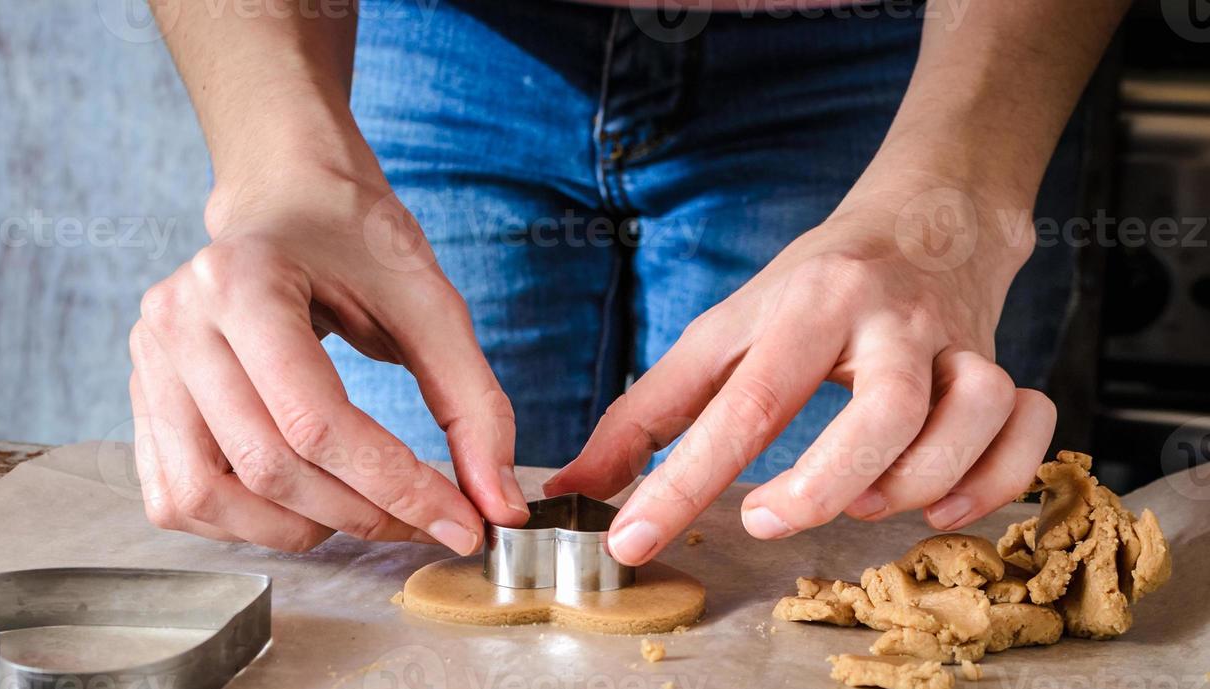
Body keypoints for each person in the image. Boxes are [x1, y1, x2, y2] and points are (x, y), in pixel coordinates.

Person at [128, 0, 1129, 565]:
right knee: (371, 542)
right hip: (424, 32)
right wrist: (278, 171)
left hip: (928, 49)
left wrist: (957, 189)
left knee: (826, 571)